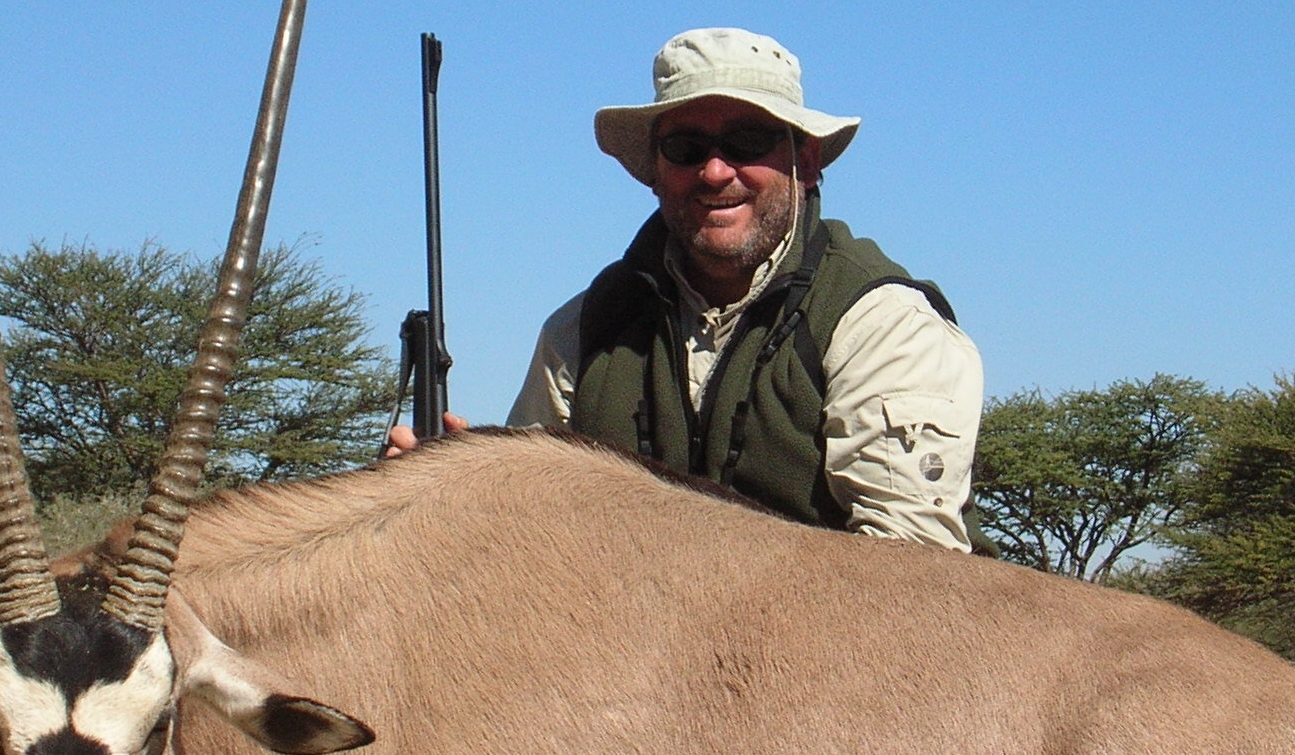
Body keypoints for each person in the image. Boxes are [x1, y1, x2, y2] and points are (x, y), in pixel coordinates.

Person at [385, 27, 983, 550]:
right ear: (653, 169)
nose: (716, 172)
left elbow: (911, 576)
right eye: (686, 148)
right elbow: (526, 536)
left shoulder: (881, 325)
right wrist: (456, 499)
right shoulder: (578, 333)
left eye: (748, 141)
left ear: (806, 157)